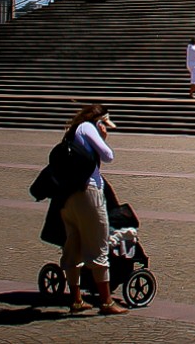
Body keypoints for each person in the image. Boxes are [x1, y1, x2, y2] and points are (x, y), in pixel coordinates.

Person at [56, 103, 127, 315]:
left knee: (73, 246)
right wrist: (102, 138)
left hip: (68, 196)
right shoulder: (88, 128)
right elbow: (108, 155)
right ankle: (106, 301)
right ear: (99, 122)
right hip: (89, 192)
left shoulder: (73, 133)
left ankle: (76, 299)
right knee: (99, 245)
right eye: (105, 125)